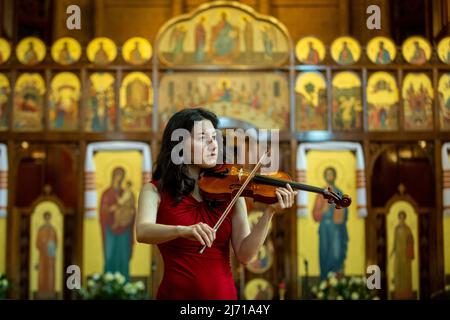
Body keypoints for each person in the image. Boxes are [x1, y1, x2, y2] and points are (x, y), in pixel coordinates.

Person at [136, 107, 297, 300]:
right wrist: (183, 230)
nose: (213, 144)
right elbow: (143, 231)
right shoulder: (153, 191)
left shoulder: (232, 191)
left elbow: (246, 255)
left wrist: (270, 212)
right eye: (203, 137)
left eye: (215, 137)